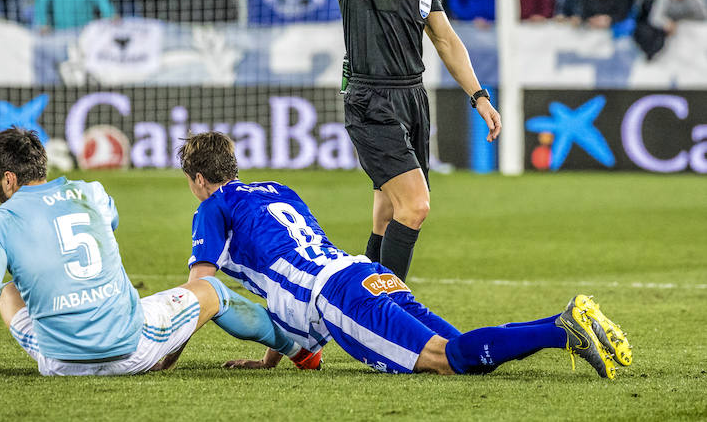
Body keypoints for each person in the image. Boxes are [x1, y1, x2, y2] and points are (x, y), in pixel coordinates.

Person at [180, 131, 632, 379]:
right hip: (365, 273)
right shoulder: (278, 190)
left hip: (340, 295)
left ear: (199, 178)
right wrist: (268, 360)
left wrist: (163, 354)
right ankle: (565, 322)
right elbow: (287, 269)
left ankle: (561, 330)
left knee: (446, 360)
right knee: (466, 358)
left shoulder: (211, 207)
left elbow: (200, 290)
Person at [0, 127, 319, 378]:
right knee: (212, 292)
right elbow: (109, 225)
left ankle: (58, 340)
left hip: (58, 362)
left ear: (9, 179)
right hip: (132, 347)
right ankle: (299, 352)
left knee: (6, 291)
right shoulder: (91, 193)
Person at [276, 0, 501, 281]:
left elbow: (445, 39)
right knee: (415, 206)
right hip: (370, 99)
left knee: (386, 215)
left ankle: (360, 309)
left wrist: (479, 96)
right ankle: (389, 316)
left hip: (412, 99)